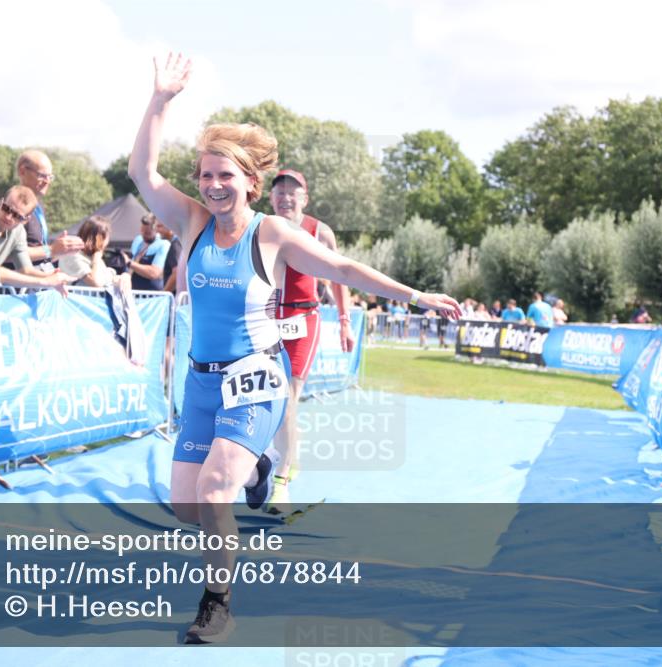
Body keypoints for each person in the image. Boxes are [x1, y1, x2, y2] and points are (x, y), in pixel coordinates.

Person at [128, 52, 460, 645]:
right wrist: (161, 99)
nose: (213, 185)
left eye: (225, 176)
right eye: (205, 176)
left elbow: (343, 268)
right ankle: (258, 466)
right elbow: (142, 172)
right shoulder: (192, 222)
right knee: (186, 506)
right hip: (202, 383)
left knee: (213, 493)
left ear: (250, 184)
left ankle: (217, 604)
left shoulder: (272, 233)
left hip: (255, 378)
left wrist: (416, 296)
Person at [267, 168, 355, 513]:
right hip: (267, 319)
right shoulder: (261, 226)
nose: (285, 198)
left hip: (303, 319)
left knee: (287, 398)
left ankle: (280, 483)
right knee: (268, 397)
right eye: (280, 192)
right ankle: (289, 454)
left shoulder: (320, 232)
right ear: (271, 197)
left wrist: (345, 321)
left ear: (305, 198)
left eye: (293, 192)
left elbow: (340, 277)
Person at [15, 150, 83, 269]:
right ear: (22, 171)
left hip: (40, 275)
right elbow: (10, 252)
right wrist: (51, 249)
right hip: (22, 280)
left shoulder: (38, 206)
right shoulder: (14, 205)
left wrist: (60, 250)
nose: (47, 181)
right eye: (42, 176)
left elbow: (40, 252)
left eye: (50, 177)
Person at [59, 215, 132, 290]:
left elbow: (106, 280)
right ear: (100, 238)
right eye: (106, 238)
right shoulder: (73, 255)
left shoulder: (93, 256)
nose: (106, 243)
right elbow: (96, 283)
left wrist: (123, 277)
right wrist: (96, 259)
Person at [127, 212, 171, 291]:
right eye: (142, 231)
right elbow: (129, 268)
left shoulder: (163, 244)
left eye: (148, 233)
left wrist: (130, 263)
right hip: (134, 292)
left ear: (156, 229)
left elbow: (154, 273)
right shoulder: (138, 240)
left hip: (153, 295)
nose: (144, 235)